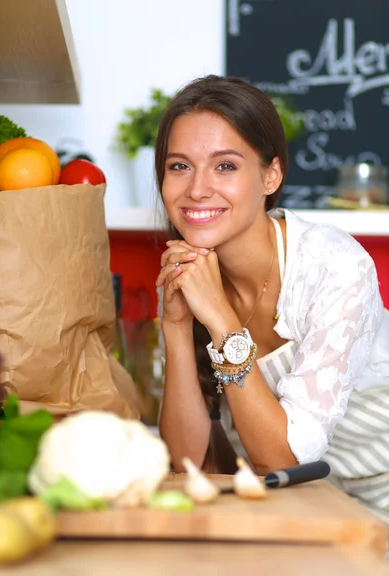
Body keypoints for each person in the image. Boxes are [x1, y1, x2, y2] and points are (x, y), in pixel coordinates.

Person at [154, 74, 389, 532]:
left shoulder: (335, 266)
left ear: (271, 175)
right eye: (179, 166)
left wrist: (221, 320)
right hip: (296, 499)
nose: (197, 189)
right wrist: (178, 328)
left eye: (225, 166)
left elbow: (284, 454)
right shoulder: (193, 275)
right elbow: (187, 463)